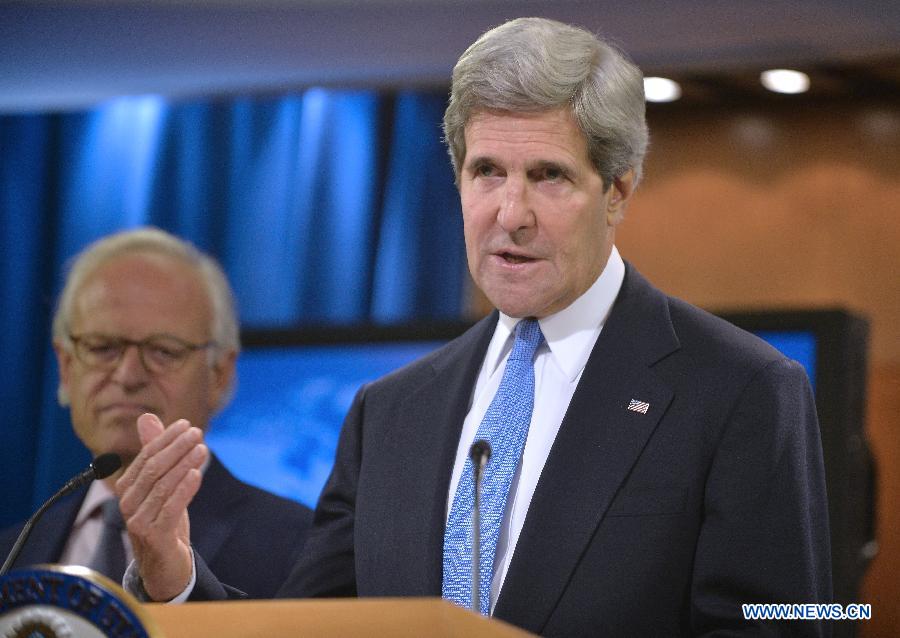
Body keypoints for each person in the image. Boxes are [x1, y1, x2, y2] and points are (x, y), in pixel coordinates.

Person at [119, 18, 832, 636]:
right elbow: (315, 626)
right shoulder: (390, 412)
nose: (510, 213)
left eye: (549, 176)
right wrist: (178, 578)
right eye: (487, 171)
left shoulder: (741, 392)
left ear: (617, 191)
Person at [0, 228, 312, 599]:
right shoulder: (13, 552)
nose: (128, 376)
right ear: (66, 367)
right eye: (102, 348)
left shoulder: (301, 546)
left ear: (219, 374)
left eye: (163, 351)